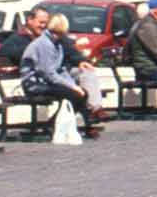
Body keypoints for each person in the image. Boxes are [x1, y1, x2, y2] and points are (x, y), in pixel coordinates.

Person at [17, 7, 105, 138]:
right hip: (35, 83)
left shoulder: (56, 43)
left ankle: (62, 124)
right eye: (59, 33)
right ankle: (57, 124)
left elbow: (60, 70)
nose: (61, 36)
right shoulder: (44, 44)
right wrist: (72, 87)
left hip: (46, 82)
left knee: (81, 93)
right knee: (76, 95)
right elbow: (48, 73)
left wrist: (74, 86)